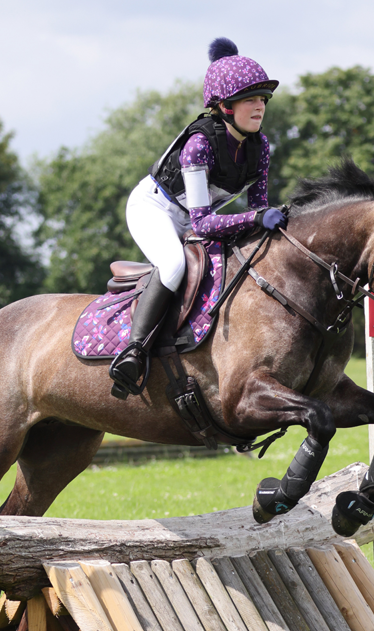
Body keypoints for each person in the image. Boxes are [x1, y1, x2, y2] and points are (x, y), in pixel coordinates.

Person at [108, 37, 287, 399]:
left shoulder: (260, 147)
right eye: (251, 99)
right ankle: (134, 351)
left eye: (263, 99)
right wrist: (258, 217)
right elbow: (205, 224)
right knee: (174, 265)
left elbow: (257, 208)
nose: (260, 106)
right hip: (154, 208)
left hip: (191, 217)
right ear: (225, 105)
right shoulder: (200, 144)